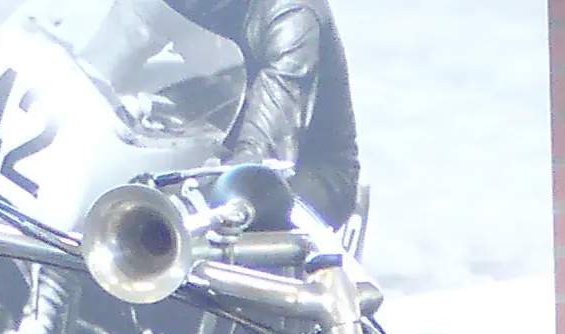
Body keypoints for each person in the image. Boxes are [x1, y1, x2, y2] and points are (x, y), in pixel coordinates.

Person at [78, 0, 362, 228]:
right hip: (206, 135)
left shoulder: (292, 16)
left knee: (209, 218)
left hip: (305, 170)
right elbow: (92, 73)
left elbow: (262, 157)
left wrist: (192, 204)